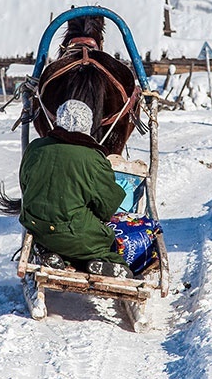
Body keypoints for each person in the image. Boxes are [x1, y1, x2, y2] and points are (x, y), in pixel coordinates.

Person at [18, 98, 131, 278]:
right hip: (74, 234)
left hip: (36, 228)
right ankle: (101, 262)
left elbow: (25, 185)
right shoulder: (92, 159)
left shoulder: (35, 148)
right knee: (102, 242)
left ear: (58, 120)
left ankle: (54, 257)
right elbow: (107, 206)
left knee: (65, 235)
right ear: (88, 124)